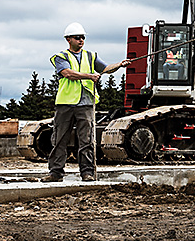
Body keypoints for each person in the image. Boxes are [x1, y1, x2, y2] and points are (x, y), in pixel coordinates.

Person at [44, 22, 131, 182]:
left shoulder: (91, 56)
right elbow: (67, 73)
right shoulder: (61, 57)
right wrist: (90, 76)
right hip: (65, 104)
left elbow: (105, 68)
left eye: (83, 37)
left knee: (87, 140)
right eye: (78, 37)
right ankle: (55, 173)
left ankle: (87, 173)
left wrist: (119, 65)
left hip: (86, 104)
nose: (81, 40)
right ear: (68, 39)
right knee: (60, 140)